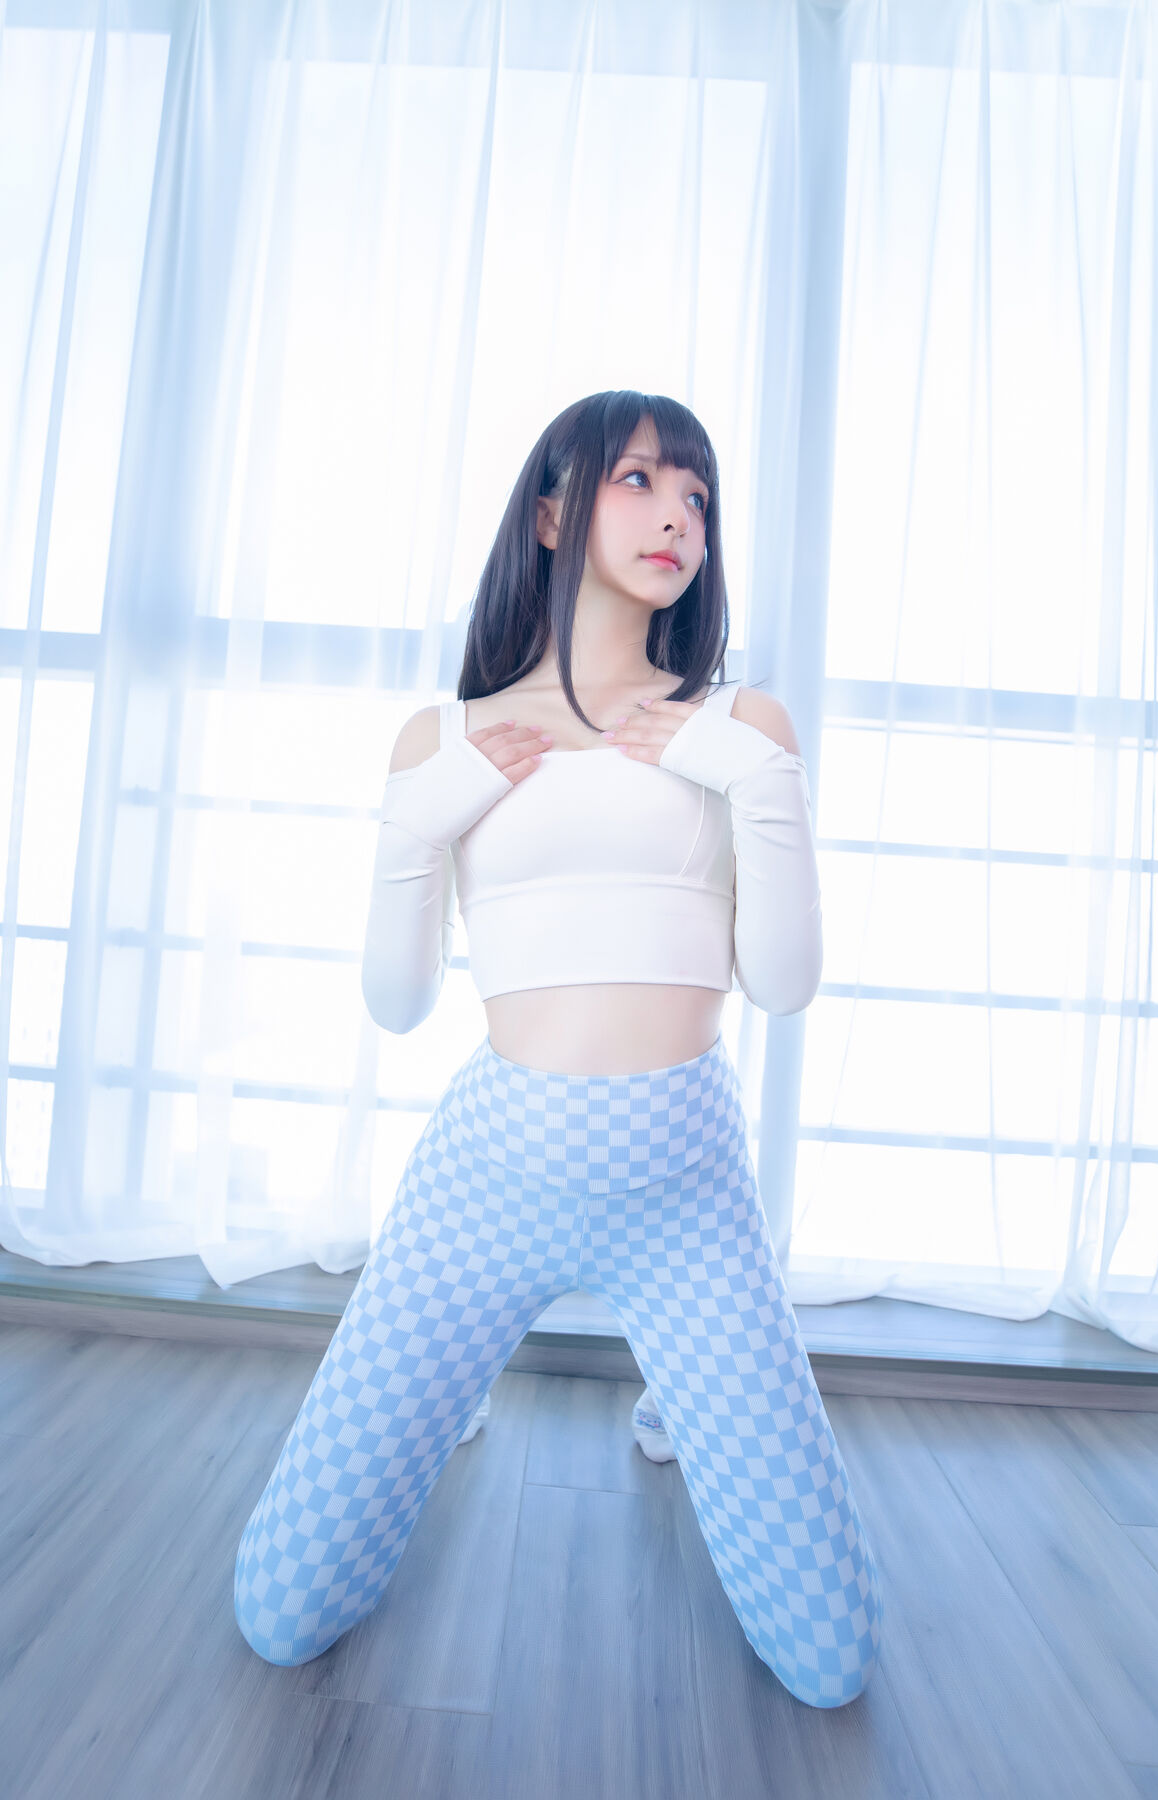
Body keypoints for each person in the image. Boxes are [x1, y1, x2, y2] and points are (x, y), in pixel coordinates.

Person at [232, 389, 883, 1709]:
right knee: (279, 1612)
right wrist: (415, 827)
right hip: (488, 1178)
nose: (677, 515)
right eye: (639, 480)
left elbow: (785, 984)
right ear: (549, 512)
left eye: (697, 496)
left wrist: (756, 784)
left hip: (685, 1192)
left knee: (831, 1663)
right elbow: (398, 1003)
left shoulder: (743, 729)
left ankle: (678, 1391)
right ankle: (455, 1376)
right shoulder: (444, 737)